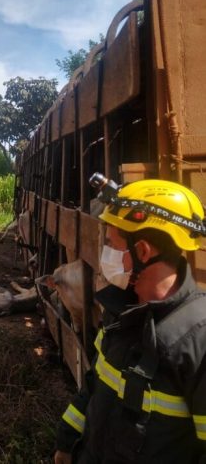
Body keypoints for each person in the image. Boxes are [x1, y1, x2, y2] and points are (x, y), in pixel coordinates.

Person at [54, 177, 206, 464]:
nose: (105, 254)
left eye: (111, 244)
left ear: (143, 251)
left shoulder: (198, 340)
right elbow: (95, 384)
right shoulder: (120, 313)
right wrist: (67, 441)